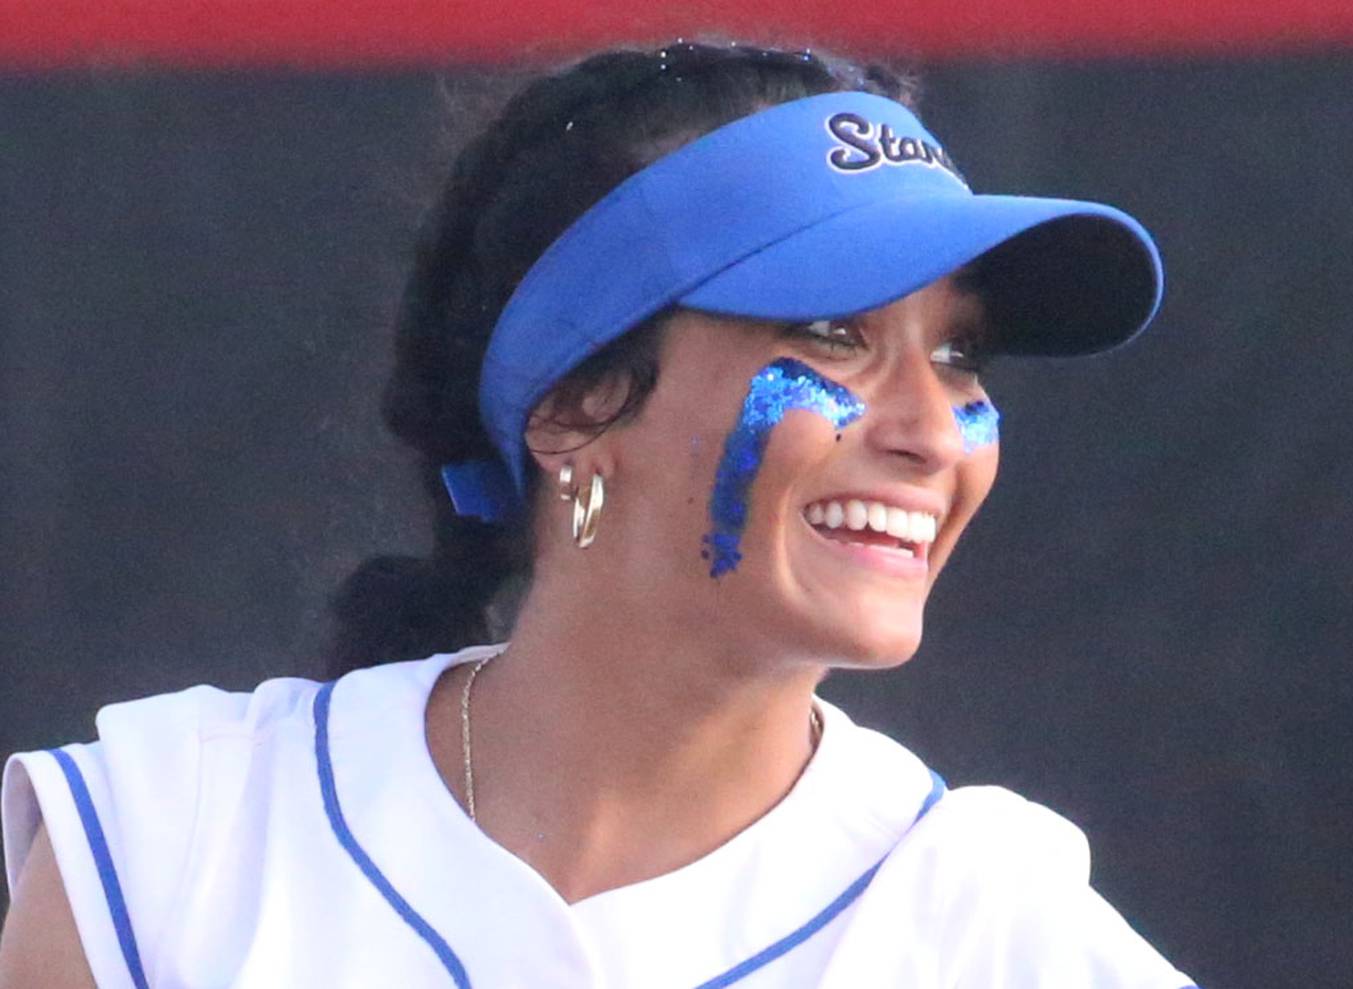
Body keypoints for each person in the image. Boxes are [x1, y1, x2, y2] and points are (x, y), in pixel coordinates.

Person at [0, 40, 1198, 988]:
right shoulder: (177, 835)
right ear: (573, 403)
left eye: (959, 356)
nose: (933, 430)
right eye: (834, 333)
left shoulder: (992, 930)